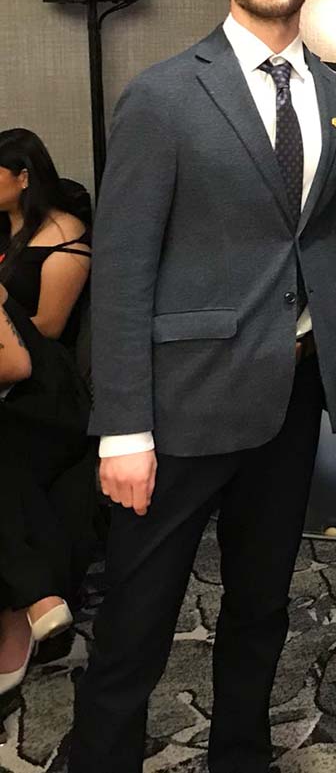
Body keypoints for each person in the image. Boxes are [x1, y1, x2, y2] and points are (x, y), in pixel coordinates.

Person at [70, 0, 336, 773]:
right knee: (139, 617)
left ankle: (243, 753)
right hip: (181, 405)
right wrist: (124, 426)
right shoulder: (163, 95)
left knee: (262, 602)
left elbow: (318, 229)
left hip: (292, 387)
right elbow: (120, 270)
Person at [0, 128, 93, 694]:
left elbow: (51, 332)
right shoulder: (5, 231)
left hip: (48, 390)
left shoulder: (65, 235)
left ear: (24, 176)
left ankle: (26, 606)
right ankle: (38, 599)